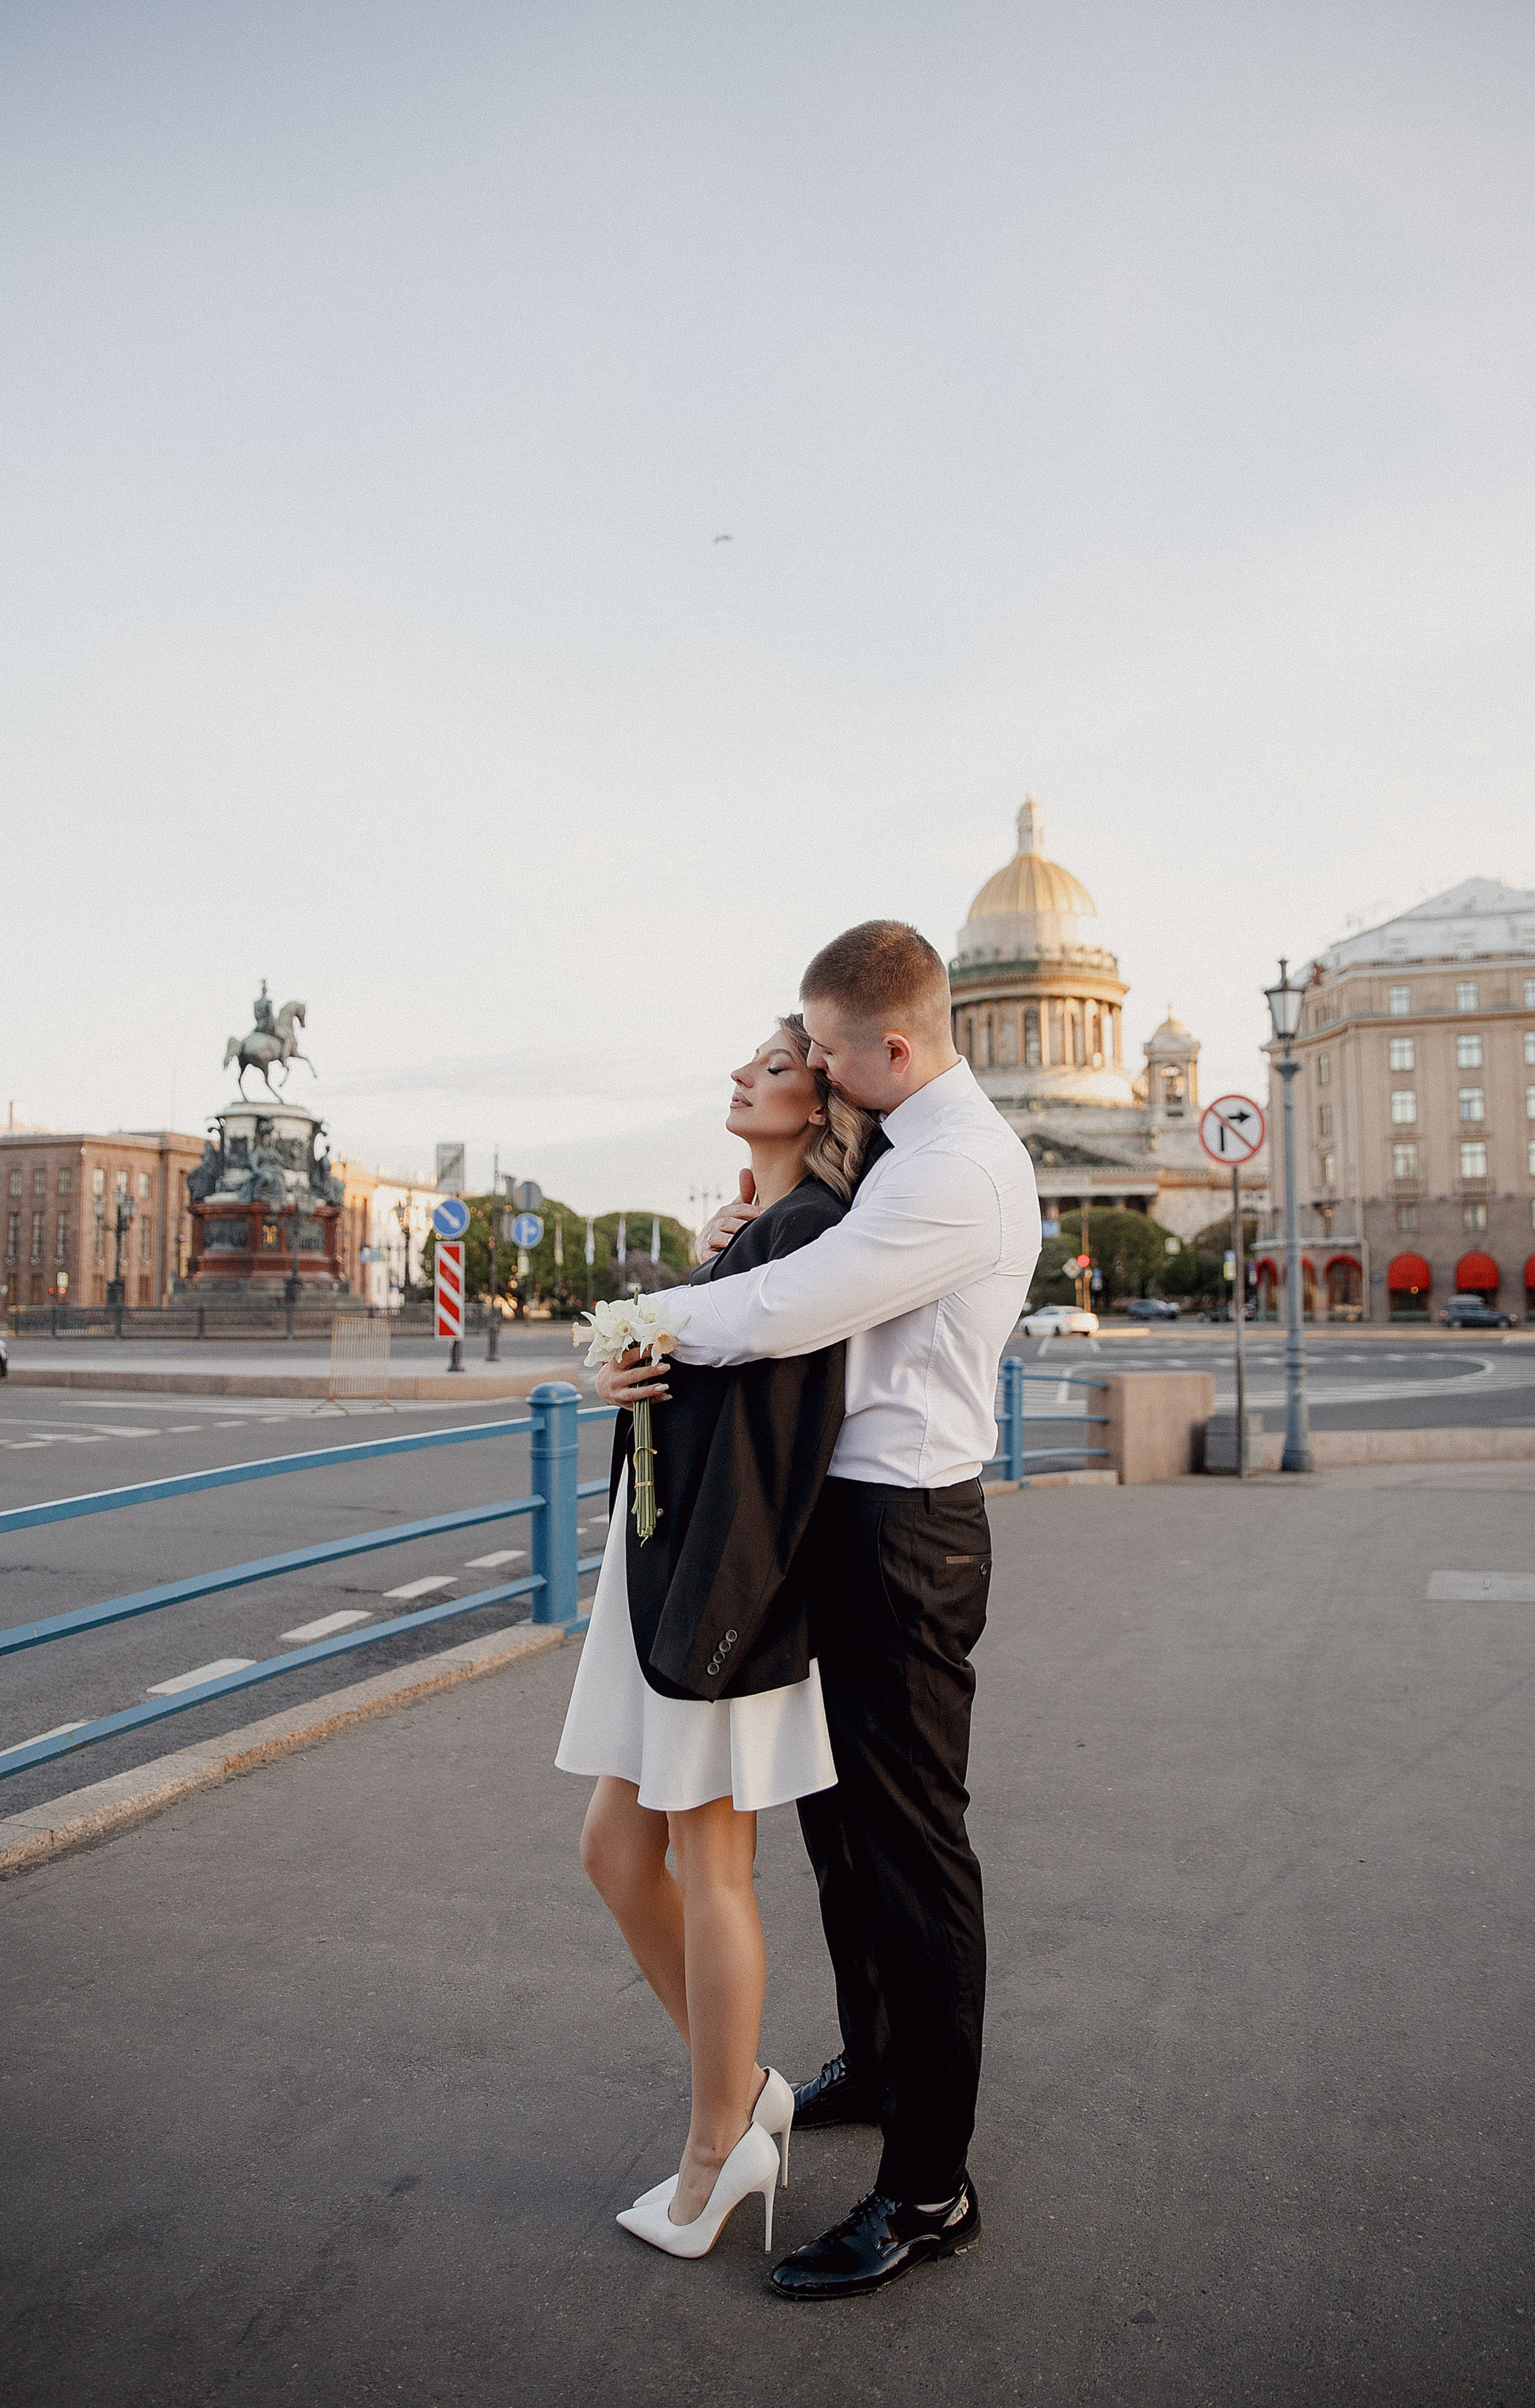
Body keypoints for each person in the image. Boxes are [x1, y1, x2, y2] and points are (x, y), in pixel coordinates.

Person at [638, 920, 1040, 2300]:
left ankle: (929, 2190)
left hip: (903, 1537)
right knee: (838, 1836)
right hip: (839, 1523)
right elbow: (781, 1256)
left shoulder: (962, 1173)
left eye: (821, 1050)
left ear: (894, 1049)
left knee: (914, 1855)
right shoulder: (900, 1146)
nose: (807, 1064)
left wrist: (634, 1328)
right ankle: (876, 2063)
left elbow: (792, 1310)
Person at [556, 1015, 877, 2260]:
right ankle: (741, 2093)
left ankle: (715, 2148)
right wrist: (624, 1364)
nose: (741, 1077)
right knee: (613, 1854)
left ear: (820, 1102)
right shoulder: (758, 1233)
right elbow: (677, 1385)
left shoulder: (808, 1237)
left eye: (774, 1068)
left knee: (711, 1865)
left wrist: (663, 1327)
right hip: (663, 1567)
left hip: (723, 1583)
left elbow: (767, 1437)